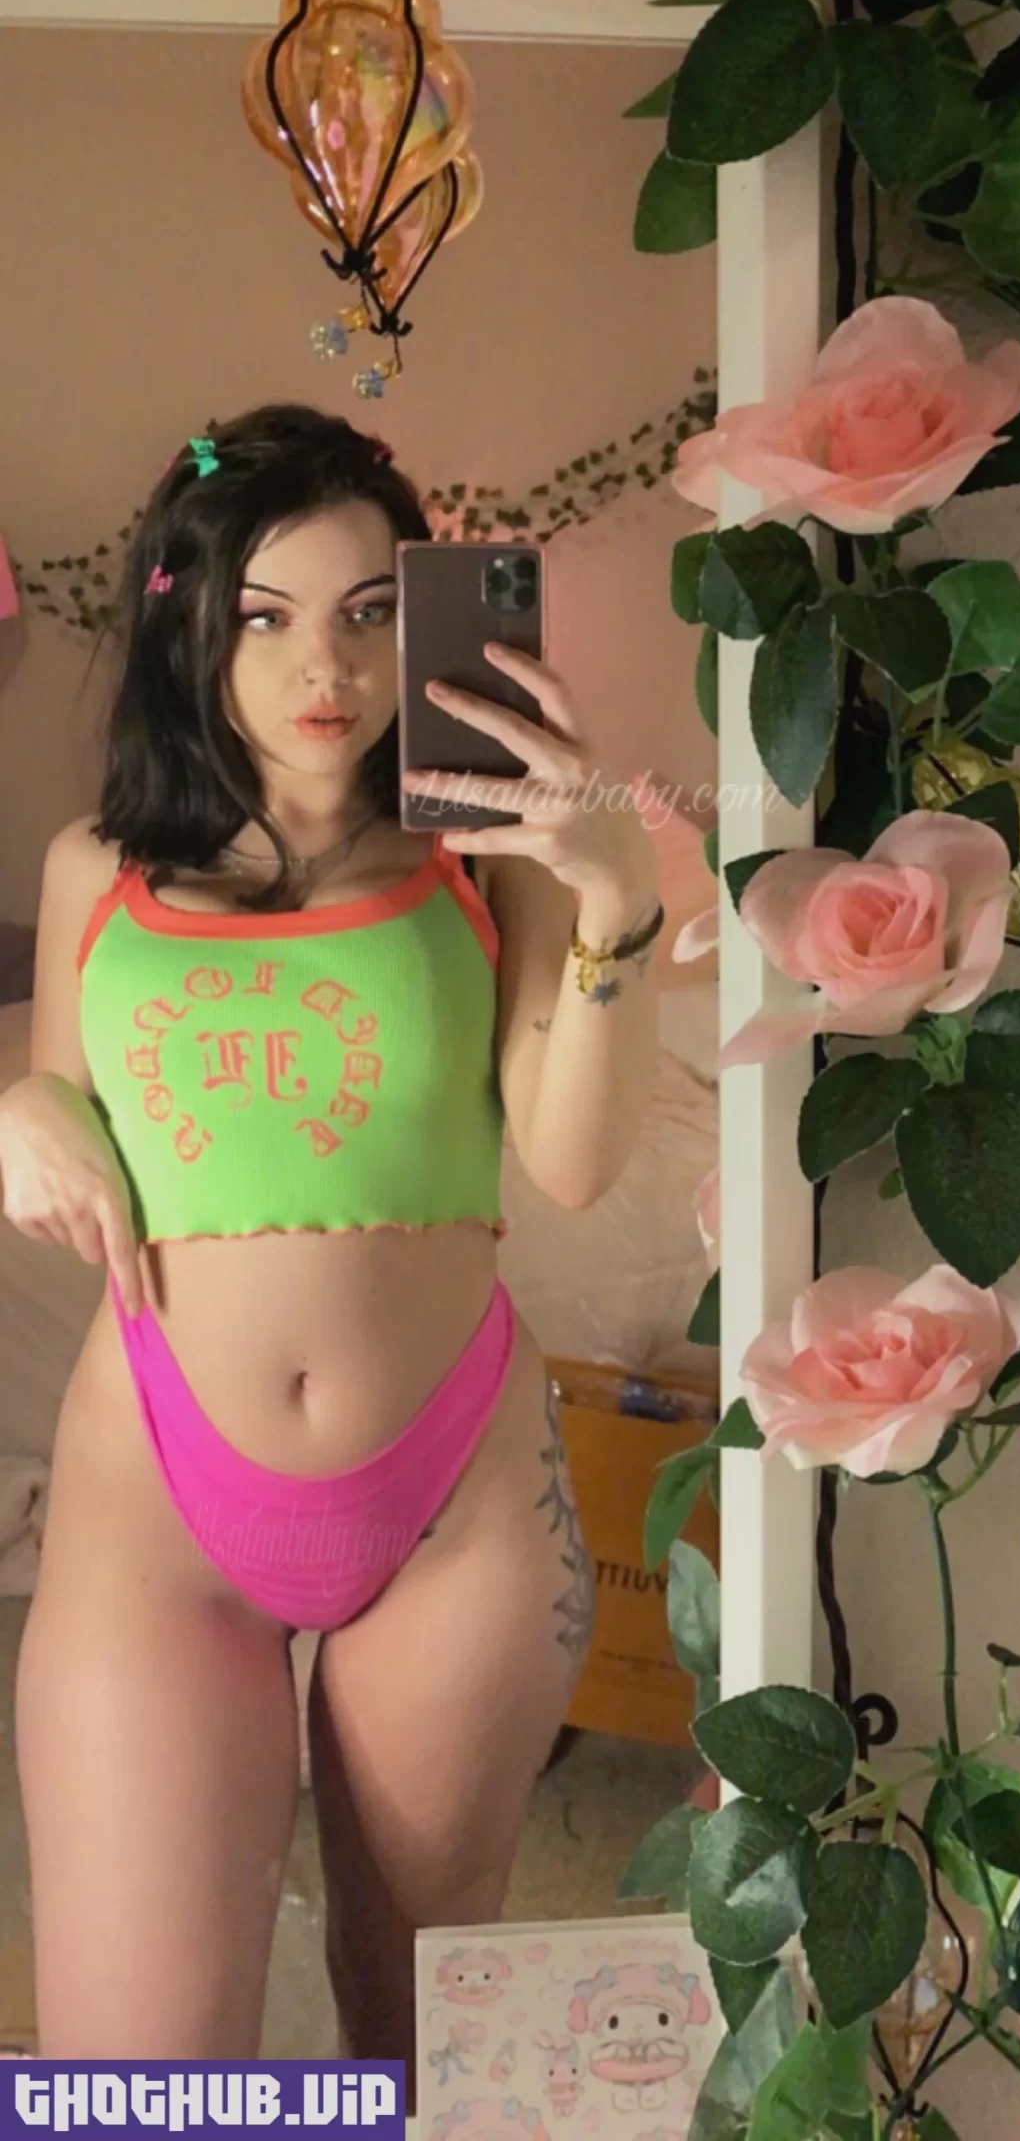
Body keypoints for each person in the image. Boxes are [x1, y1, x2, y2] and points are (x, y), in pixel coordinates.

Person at [0, 403, 664, 2070]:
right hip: (153, 1504)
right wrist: (15, 1109)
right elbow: (68, 1112)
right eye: (269, 617)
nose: (329, 668)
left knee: (421, 2039)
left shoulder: (485, 863)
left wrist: (617, 898)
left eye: (372, 612)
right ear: (192, 629)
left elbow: (574, 1161)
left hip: (455, 1506)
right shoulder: (96, 869)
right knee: (138, 2080)